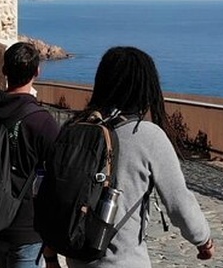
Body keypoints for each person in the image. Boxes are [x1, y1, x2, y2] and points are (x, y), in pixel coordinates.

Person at [66, 46, 214, 268]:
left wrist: (50, 257)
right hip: (123, 260)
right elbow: (178, 202)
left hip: (77, 259)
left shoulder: (76, 127)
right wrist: (203, 239)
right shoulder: (147, 135)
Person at [0, 41, 62, 268]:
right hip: (27, 230)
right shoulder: (42, 122)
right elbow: (57, 181)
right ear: (37, 72)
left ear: (4, 70)